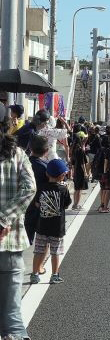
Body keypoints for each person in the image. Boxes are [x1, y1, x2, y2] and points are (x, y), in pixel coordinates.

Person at [0, 130, 37, 340]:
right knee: (13, 319)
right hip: (10, 242)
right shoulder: (18, 154)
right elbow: (30, 188)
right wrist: (3, 219)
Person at [30, 159, 71, 285]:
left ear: (47, 174)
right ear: (63, 175)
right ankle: (54, 275)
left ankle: (34, 275)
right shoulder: (63, 190)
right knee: (55, 252)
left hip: (42, 227)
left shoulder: (41, 188)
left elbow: (37, 203)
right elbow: (66, 205)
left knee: (38, 251)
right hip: (57, 228)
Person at [70, 131, 89, 210]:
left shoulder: (73, 149)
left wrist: (73, 172)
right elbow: (82, 163)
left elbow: (73, 163)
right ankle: (76, 205)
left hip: (75, 171)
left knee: (76, 188)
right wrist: (85, 173)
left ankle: (74, 204)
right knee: (80, 189)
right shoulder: (80, 150)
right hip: (80, 171)